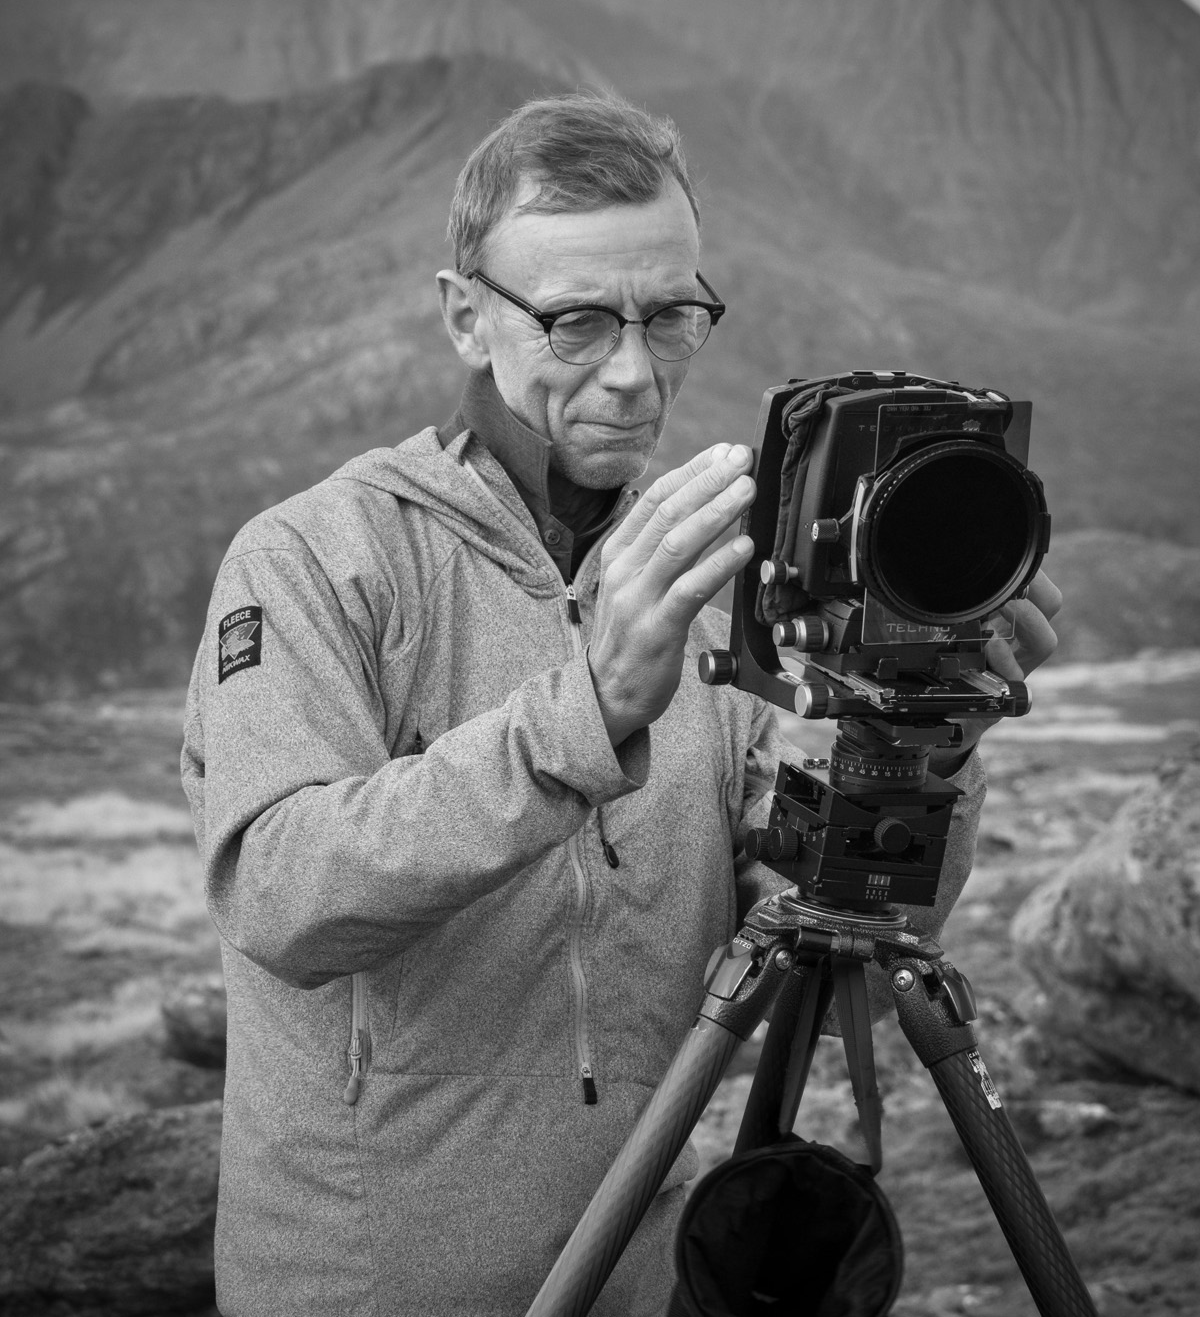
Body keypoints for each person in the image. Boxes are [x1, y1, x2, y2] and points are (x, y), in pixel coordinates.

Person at [181, 93, 1060, 1317]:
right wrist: (583, 714)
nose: (637, 372)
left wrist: (934, 723)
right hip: (364, 1287)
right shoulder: (316, 562)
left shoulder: (718, 583)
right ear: (464, 316)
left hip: (637, 1281)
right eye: (580, 322)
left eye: (671, 315)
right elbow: (278, 893)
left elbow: (847, 902)